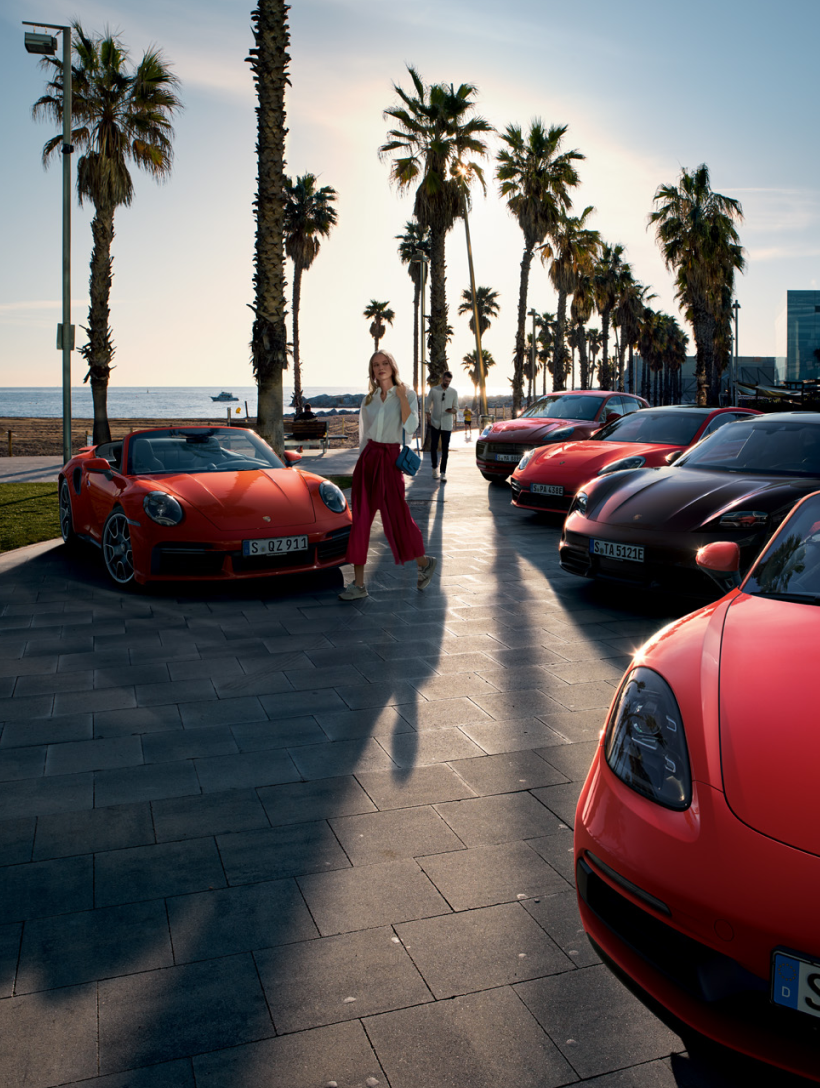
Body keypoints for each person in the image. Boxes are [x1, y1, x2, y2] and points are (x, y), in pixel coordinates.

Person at [339, 351, 437, 601]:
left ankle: (424, 562)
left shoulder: (408, 394)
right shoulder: (369, 399)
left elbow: (411, 427)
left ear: (392, 367)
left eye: (384, 364)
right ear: (371, 371)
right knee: (360, 519)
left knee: (398, 517)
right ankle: (358, 585)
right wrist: (360, 463)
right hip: (369, 458)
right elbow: (364, 435)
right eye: (375, 365)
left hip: (391, 459)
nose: (380, 368)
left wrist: (403, 398)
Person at [425, 370, 458, 481]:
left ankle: (443, 472)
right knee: (433, 447)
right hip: (435, 423)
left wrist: (452, 410)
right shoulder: (434, 390)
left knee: (445, 449)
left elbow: (456, 408)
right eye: (446, 380)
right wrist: (428, 418)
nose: (447, 382)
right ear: (442, 379)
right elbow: (427, 406)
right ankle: (434, 468)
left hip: (447, 425)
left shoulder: (454, 392)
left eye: (449, 381)